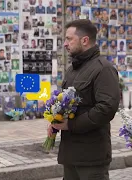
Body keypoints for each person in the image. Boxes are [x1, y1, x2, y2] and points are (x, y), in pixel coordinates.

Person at [48, 19, 120, 180]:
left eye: (69, 39)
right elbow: (66, 105)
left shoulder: (103, 69)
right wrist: (55, 120)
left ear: (85, 40)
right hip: (70, 155)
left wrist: (71, 125)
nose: (65, 44)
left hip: (91, 157)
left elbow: (106, 108)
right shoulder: (72, 70)